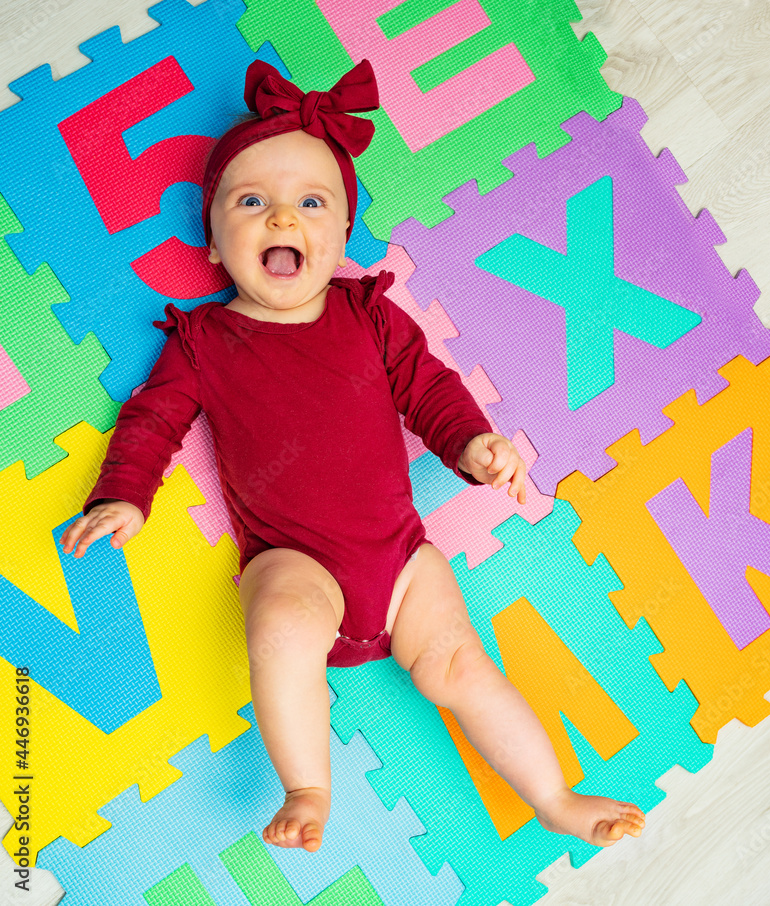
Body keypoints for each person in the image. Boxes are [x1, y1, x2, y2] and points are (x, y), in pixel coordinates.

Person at [59, 58, 645, 854]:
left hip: (401, 559)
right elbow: (151, 423)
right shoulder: (203, 343)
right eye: (252, 202)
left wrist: (472, 444)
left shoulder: (368, 315)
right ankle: (308, 785)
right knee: (281, 630)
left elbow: (427, 387)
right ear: (213, 237)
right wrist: (124, 494)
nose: (281, 220)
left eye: (310, 203)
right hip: (294, 559)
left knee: (464, 670)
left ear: (339, 233)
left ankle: (552, 796)